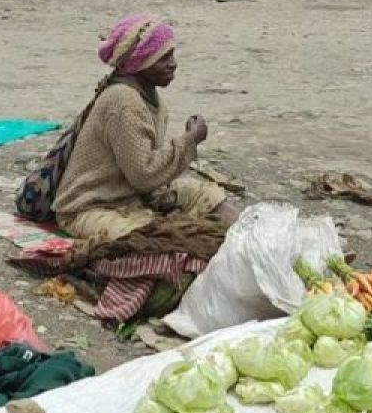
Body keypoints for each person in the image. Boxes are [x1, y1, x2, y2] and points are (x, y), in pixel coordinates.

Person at [50, 14, 237, 245]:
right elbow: (144, 175)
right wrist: (190, 140)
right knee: (156, 239)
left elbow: (147, 170)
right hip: (90, 208)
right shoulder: (123, 101)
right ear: (140, 64)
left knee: (208, 195)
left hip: (131, 196)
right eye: (163, 58)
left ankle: (252, 241)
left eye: (172, 54)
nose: (173, 63)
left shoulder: (150, 99)